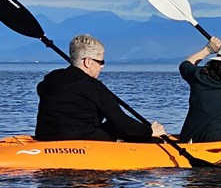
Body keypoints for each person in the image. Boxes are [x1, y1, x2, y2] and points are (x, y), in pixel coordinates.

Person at [35, 34, 167, 142]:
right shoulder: (94, 87)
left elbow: (40, 89)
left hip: (46, 137)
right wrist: (149, 131)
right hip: (83, 140)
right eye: (100, 62)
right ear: (87, 62)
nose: (102, 66)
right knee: (114, 126)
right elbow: (121, 121)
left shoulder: (51, 78)